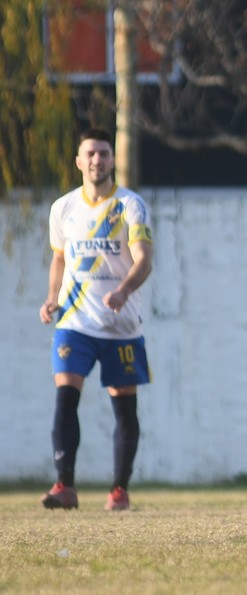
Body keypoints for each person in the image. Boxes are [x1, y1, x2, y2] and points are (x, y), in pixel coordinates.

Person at [37, 127, 155, 512]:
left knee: (124, 409)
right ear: (79, 161)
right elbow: (59, 257)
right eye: (89, 153)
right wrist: (52, 298)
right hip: (74, 321)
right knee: (65, 396)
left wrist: (123, 291)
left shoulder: (130, 206)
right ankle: (64, 486)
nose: (97, 160)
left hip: (122, 325)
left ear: (112, 160)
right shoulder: (63, 208)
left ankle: (119, 490)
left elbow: (143, 260)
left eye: (103, 153)